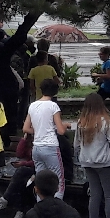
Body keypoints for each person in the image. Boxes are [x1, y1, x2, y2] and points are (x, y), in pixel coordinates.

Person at [75, 94, 110, 218]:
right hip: (105, 162)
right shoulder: (105, 122)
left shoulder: (81, 122)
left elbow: (76, 144)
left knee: (94, 195)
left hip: (87, 162)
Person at [23, 76, 67, 204]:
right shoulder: (53, 106)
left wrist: (39, 130)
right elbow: (61, 131)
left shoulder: (32, 105)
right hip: (50, 147)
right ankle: (56, 207)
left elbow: (26, 128)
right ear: (55, 91)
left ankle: (41, 207)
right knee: (58, 179)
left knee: (41, 180)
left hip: (36, 148)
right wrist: (65, 125)